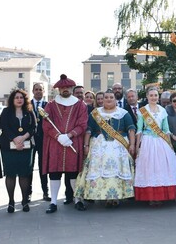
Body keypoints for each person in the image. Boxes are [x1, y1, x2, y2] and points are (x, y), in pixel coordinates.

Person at [75, 89, 136, 208]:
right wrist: (86, 146)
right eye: (106, 97)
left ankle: (116, 197)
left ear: (115, 99)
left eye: (111, 97)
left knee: (118, 173)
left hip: (119, 147)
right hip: (99, 147)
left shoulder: (123, 113)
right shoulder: (95, 113)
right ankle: (102, 196)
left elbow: (131, 129)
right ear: (102, 100)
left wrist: (132, 145)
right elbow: (88, 130)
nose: (108, 99)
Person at [41, 74, 88, 214]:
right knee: (54, 173)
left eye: (67, 87)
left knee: (73, 172)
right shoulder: (50, 105)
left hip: (73, 141)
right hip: (55, 144)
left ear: (72, 88)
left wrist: (69, 135)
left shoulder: (80, 105)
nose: (65, 90)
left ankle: (78, 199)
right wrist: (58, 136)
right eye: (62, 88)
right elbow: (46, 125)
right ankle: (54, 202)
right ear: (58, 89)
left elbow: (83, 124)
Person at [133, 87, 176, 205]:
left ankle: (163, 196)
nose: (154, 97)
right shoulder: (142, 111)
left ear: (158, 97)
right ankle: (151, 197)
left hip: (161, 142)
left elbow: (166, 130)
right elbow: (139, 130)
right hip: (148, 142)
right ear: (147, 97)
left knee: (163, 167)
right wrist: (137, 147)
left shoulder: (163, 110)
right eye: (151, 95)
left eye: (156, 95)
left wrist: (170, 146)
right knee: (149, 169)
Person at [0, 89, 36, 213]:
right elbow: (3, 127)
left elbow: (33, 127)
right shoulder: (6, 112)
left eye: (21, 97)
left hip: (25, 147)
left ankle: (24, 201)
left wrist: (23, 137)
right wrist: (15, 139)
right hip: (8, 147)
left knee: (24, 174)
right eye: (16, 97)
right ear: (12, 100)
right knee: (10, 175)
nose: (19, 99)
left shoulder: (29, 112)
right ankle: (11, 202)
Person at [30, 83, 49, 201]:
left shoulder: (48, 105)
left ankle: (45, 192)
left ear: (44, 91)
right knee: (29, 167)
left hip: (44, 140)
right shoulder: (27, 105)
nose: (38, 91)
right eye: (36, 89)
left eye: (40, 90)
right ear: (33, 91)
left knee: (43, 167)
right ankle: (28, 192)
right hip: (30, 140)